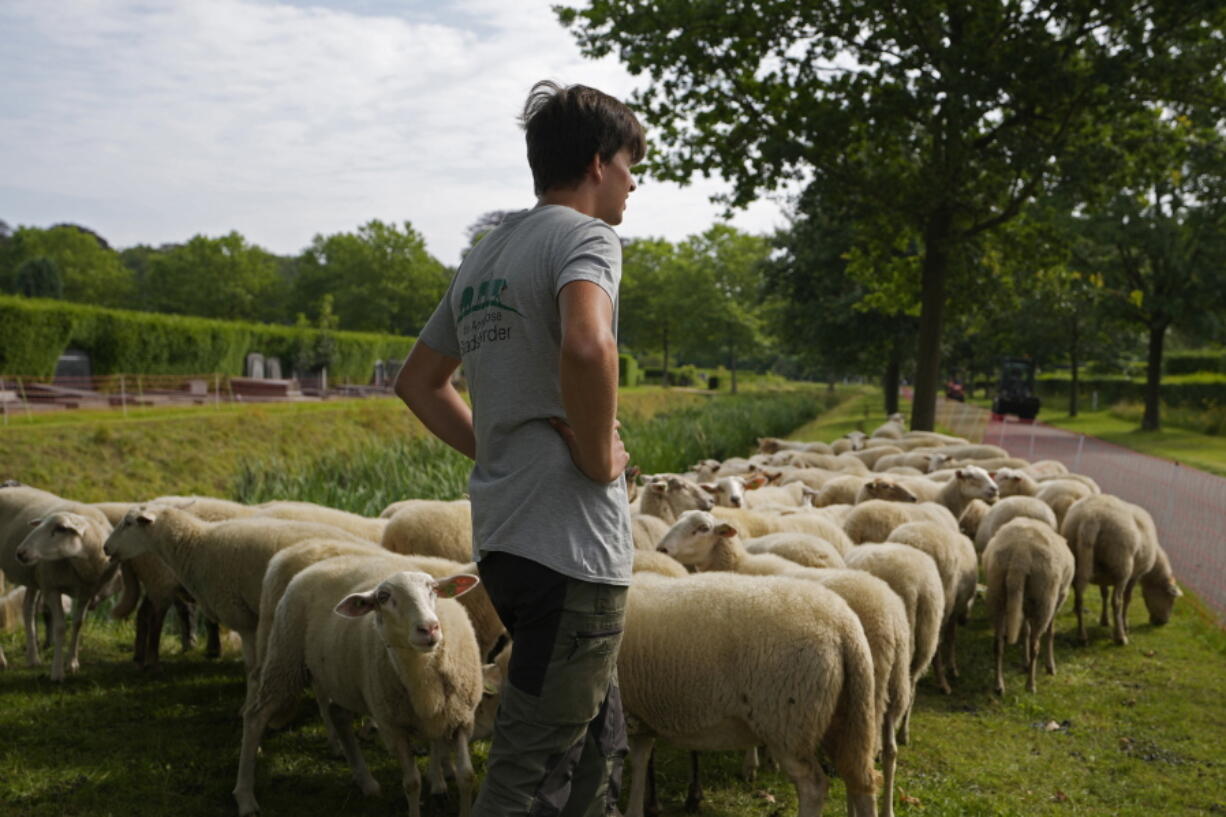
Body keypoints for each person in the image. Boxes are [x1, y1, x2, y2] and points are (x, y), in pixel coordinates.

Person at [394, 80, 645, 817]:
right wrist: (600, 455)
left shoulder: (485, 255)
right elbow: (588, 342)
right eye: (632, 165)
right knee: (529, 775)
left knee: (599, 747)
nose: (634, 184)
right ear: (598, 163)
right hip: (572, 547)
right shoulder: (587, 238)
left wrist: (496, 448)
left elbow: (419, 381)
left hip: (506, 541)